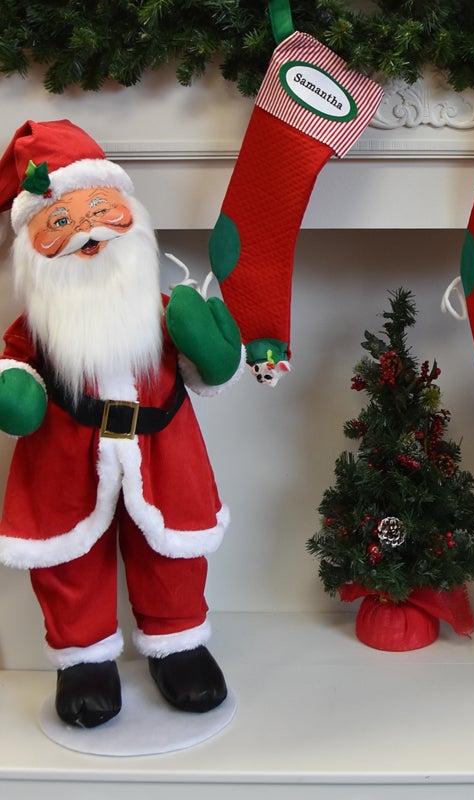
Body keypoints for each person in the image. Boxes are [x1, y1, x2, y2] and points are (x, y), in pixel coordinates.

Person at [0, 119, 243, 728]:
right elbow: (15, 369)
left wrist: (212, 346)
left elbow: (208, 372)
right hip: (65, 460)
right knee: (70, 560)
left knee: (171, 554)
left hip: (163, 453)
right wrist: (15, 390)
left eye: (99, 210)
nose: (86, 231)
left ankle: (178, 643)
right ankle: (83, 659)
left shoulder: (160, 311)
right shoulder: (35, 329)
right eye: (60, 222)